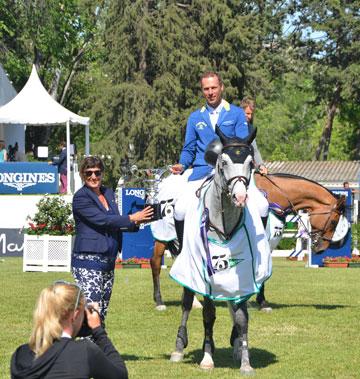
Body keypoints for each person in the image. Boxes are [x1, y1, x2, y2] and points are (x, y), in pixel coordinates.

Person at [170, 71, 268, 233]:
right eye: (206, 89)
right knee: (180, 209)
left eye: (214, 88)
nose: (210, 92)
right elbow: (189, 149)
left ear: (221, 87)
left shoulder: (236, 113)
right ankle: (182, 252)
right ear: (202, 91)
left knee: (263, 206)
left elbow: (244, 144)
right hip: (203, 172)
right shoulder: (195, 118)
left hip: (234, 173)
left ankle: (261, 252)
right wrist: (182, 164)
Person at [72, 156, 153, 322]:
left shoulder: (108, 192)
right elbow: (103, 220)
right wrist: (132, 217)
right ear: (82, 174)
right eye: (89, 173)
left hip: (108, 261)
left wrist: (137, 221)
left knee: (101, 313)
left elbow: (114, 220)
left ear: (102, 173)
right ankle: (82, 346)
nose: (93, 177)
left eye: (97, 173)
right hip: (88, 261)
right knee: (91, 313)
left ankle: (96, 347)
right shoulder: (81, 198)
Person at [11, 281, 128, 379]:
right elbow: (120, 375)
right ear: (75, 315)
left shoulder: (20, 355)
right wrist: (98, 331)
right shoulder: (84, 351)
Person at [240, 97, 268, 175]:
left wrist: (261, 165)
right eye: (248, 113)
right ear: (241, 111)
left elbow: (255, 149)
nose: (250, 117)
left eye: (251, 114)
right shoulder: (231, 126)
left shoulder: (250, 129)